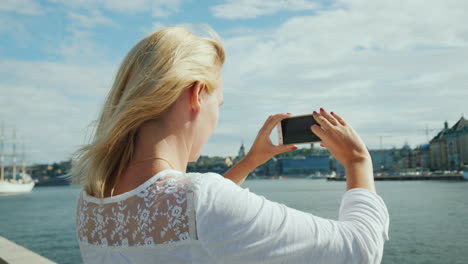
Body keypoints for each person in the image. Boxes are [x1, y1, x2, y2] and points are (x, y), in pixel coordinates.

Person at [72, 25, 389, 264]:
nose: (217, 116)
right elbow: (359, 249)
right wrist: (358, 162)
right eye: (218, 104)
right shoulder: (203, 201)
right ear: (197, 95)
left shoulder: (91, 204)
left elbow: (186, 224)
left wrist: (249, 161)